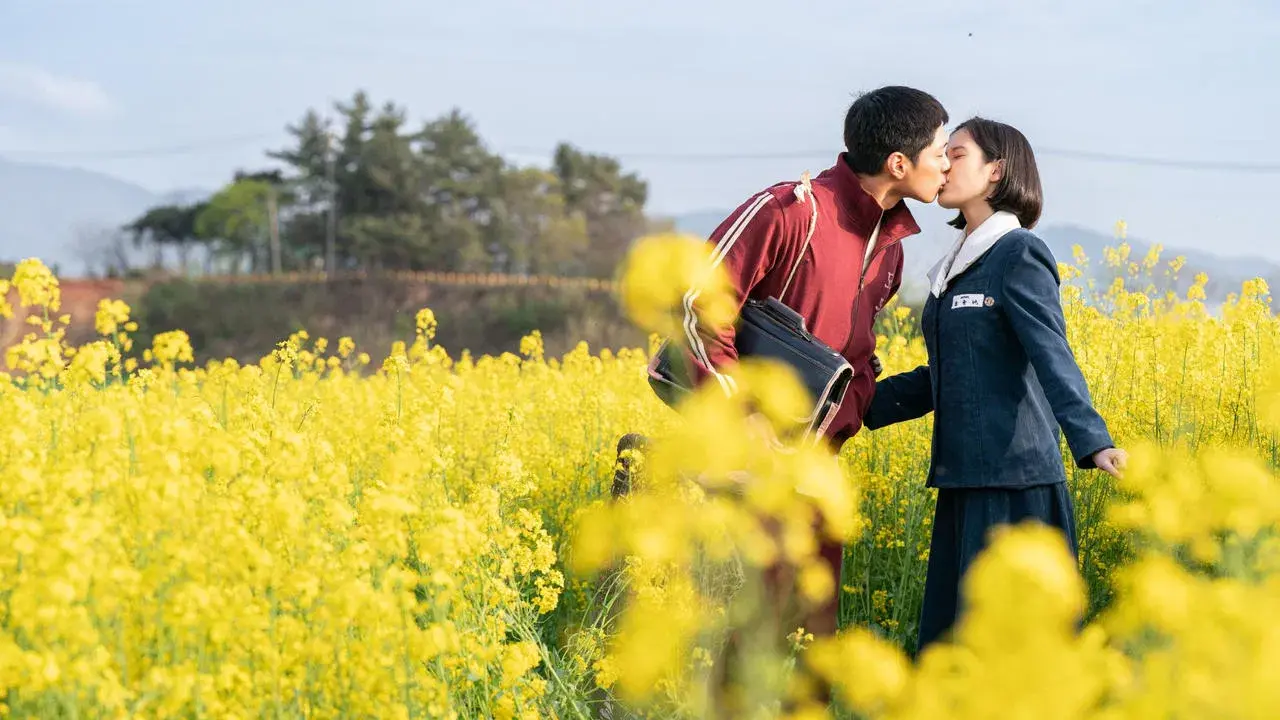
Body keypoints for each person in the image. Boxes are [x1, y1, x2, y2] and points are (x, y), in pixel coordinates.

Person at [671, 85, 951, 644]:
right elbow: (695, 308)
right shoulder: (789, 210)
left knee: (808, 644)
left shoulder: (892, 250)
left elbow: (856, 349)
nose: (947, 165)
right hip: (743, 468)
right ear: (899, 163)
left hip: (817, 472)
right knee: (739, 644)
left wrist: (863, 398)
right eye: (941, 151)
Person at [861, 116, 1127, 656]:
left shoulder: (1017, 254)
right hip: (963, 481)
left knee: (1019, 650)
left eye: (955, 154)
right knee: (954, 647)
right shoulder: (954, 267)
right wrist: (858, 402)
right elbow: (953, 375)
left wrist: (1093, 439)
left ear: (995, 172)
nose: (941, 163)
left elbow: (1051, 353)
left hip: (1016, 481)